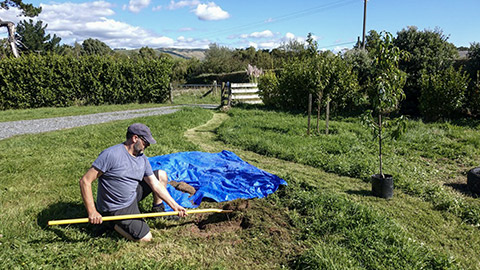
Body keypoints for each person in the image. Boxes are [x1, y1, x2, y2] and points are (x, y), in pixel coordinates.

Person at [79, 123, 187, 242]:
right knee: (146, 238)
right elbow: (85, 181)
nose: (148, 146)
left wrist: (174, 205)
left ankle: (158, 210)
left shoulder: (141, 158)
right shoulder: (111, 155)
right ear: (135, 138)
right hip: (116, 207)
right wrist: (92, 211)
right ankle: (109, 221)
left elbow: (155, 184)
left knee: (161, 175)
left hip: (132, 195)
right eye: (146, 142)